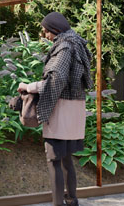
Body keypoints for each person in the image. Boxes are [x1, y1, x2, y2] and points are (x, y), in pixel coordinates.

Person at [18, 12, 93, 206]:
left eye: (46, 31)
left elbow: (56, 80)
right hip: (74, 111)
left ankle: (58, 204)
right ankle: (71, 201)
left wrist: (29, 87)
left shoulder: (65, 46)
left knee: (53, 160)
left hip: (61, 112)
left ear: (56, 30)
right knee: (67, 160)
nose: (45, 35)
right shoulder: (77, 43)